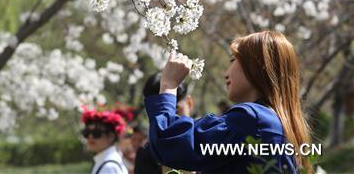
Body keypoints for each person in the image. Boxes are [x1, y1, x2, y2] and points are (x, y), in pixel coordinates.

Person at [145, 31, 309, 173]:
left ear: (257, 67)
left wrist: (168, 85)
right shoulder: (275, 121)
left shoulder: (252, 119)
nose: (225, 73)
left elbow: (169, 144)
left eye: (233, 60)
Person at [134, 73, 193, 174]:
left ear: (189, 103)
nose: (168, 122)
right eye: (158, 115)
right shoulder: (146, 155)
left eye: (176, 110)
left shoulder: (208, 144)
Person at [81, 106, 130, 174]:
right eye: (87, 132)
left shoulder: (109, 167)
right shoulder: (105, 161)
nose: (90, 136)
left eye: (96, 133)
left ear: (111, 136)